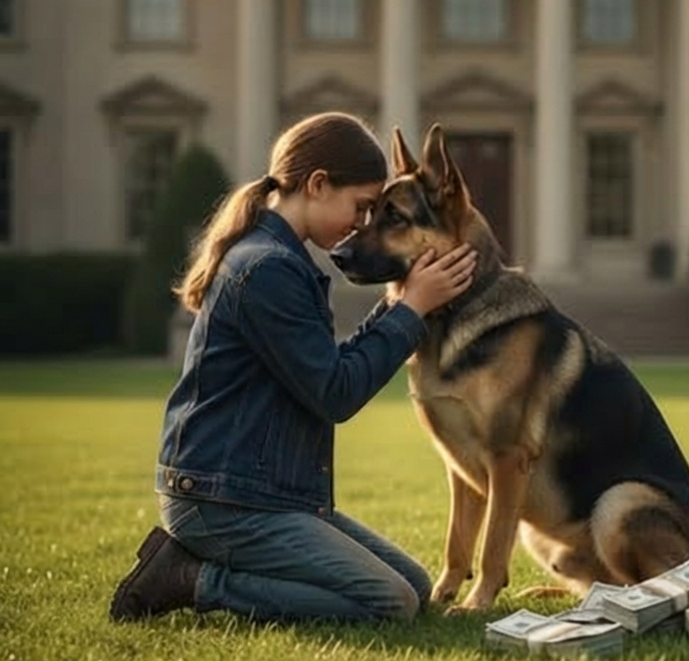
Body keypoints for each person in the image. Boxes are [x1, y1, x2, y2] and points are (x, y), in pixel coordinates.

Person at [109, 112, 477, 623]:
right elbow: (336, 392)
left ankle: (205, 569)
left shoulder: (281, 259)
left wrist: (401, 304)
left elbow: (330, 368)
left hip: (264, 494)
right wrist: (411, 310)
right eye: (362, 207)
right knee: (390, 602)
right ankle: (191, 577)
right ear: (319, 184)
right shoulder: (268, 269)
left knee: (413, 586)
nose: (363, 225)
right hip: (224, 502)